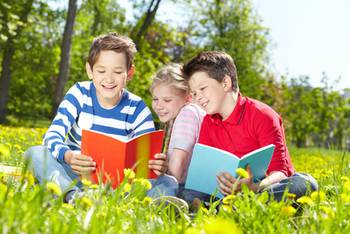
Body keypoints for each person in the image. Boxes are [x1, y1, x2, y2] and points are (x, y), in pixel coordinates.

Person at [24, 32, 177, 202]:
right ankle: (74, 197)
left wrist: (156, 165)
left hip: (119, 183)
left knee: (168, 181)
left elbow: (146, 155)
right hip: (76, 175)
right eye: (101, 70)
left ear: (130, 72)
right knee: (35, 153)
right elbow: (52, 135)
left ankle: (157, 204)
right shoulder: (79, 93)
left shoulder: (137, 107)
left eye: (118, 71)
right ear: (90, 70)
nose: (109, 79)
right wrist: (68, 156)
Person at [182, 51, 318, 202]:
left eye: (202, 88)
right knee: (188, 191)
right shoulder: (208, 121)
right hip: (225, 191)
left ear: (225, 83)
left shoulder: (263, 115)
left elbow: (280, 173)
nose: (198, 97)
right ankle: (225, 207)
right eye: (194, 93)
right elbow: (204, 172)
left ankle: (228, 208)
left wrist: (254, 187)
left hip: (264, 187)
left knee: (305, 183)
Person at [148, 64, 207, 204]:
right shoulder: (192, 112)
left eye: (167, 100)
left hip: (184, 188)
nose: (158, 106)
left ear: (187, 97)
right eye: (155, 99)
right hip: (197, 187)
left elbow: (178, 163)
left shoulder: (187, 113)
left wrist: (165, 185)